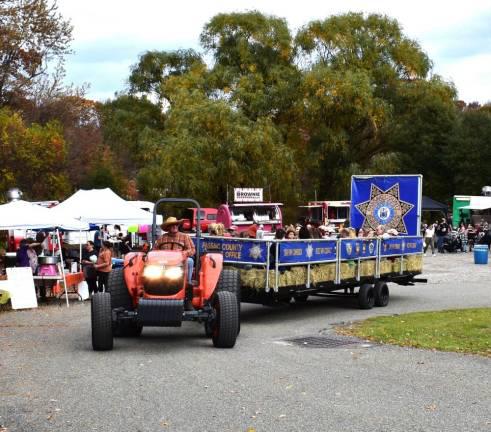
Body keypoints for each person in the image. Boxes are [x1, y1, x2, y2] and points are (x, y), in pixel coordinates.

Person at [154, 216, 196, 309]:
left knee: (189, 261)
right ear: (168, 227)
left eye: (176, 224)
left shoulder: (185, 237)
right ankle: (154, 285)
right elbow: (154, 251)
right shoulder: (162, 238)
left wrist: (184, 253)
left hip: (180, 263)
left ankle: (187, 284)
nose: (174, 226)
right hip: (164, 263)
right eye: (172, 225)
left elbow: (192, 250)